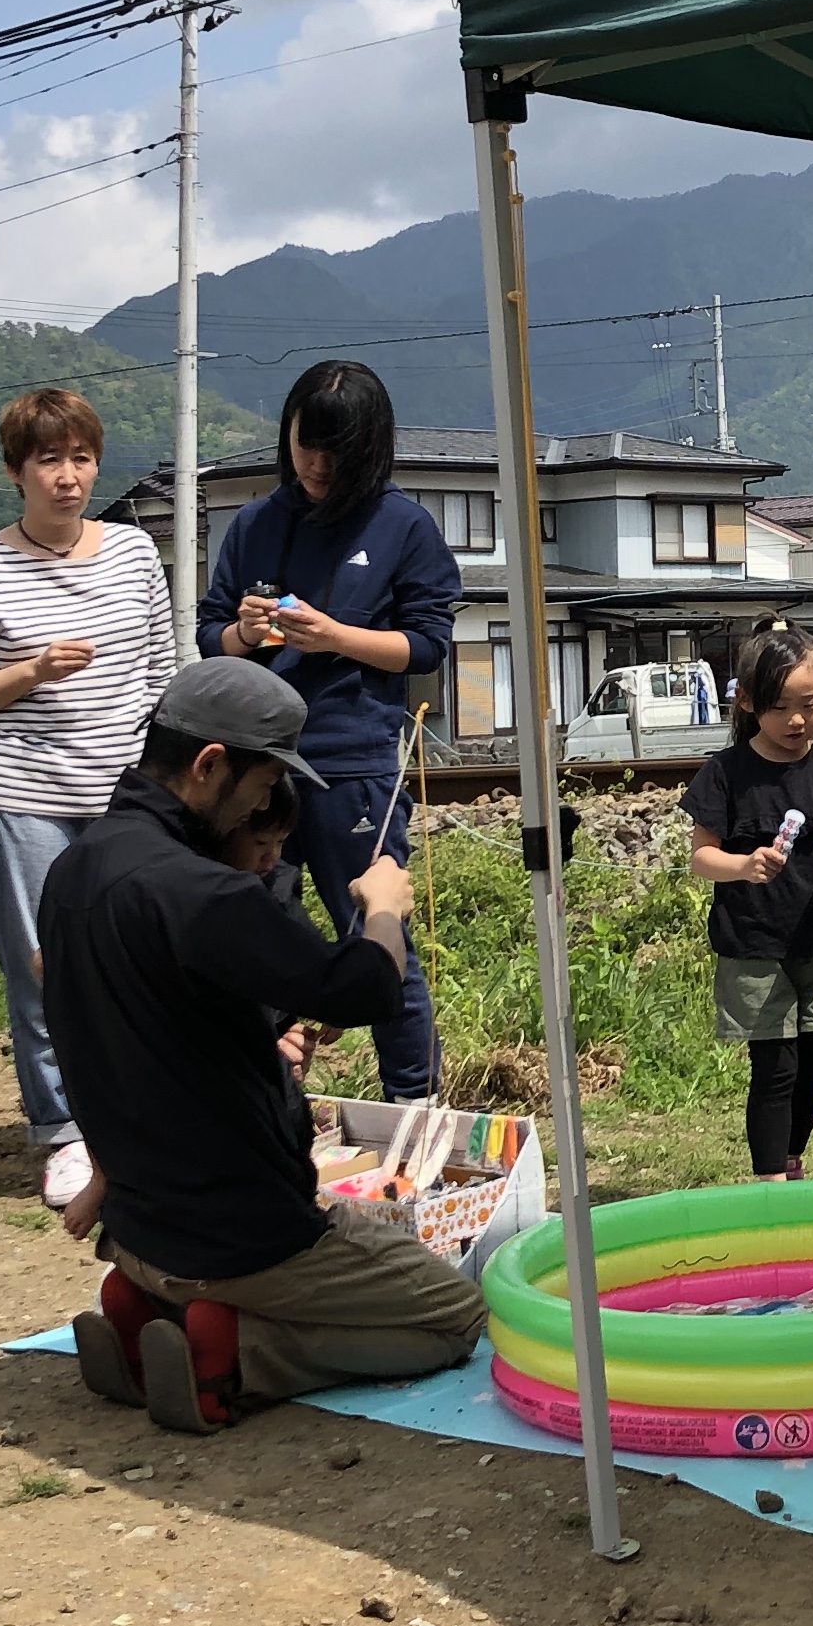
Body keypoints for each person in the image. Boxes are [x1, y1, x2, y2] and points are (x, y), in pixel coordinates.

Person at [46, 658, 482, 1432]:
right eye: (259, 786)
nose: (265, 808)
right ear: (211, 765)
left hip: (143, 1230)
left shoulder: (75, 867)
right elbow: (363, 990)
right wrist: (383, 910)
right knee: (451, 1314)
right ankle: (239, 1352)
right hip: (242, 1238)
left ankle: (151, 1306)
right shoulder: (199, 892)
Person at [0, 385, 181, 1209]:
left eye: (80, 458)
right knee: (44, 968)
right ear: (15, 471)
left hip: (122, 795)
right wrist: (31, 671)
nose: (67, 477)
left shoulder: (134, 553)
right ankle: (63, 1132)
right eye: (48, 460)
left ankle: (142, 1113)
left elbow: (160, 672)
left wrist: (164, 784)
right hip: (18, 798)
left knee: (139, 957)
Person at [206, 359, 458, 1100]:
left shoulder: (403, 525)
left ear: (370, 448)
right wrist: (244, 633)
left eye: (334, 449)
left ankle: (413, 1102)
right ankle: (264, 1097)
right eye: (303, 443)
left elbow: (427, 646)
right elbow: (207, 635)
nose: (315, 463)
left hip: (352, 757)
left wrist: (337, 637)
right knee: (247, 936)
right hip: (253, 763)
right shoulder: (254, 522)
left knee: (378, 934)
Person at [684, 623, 813, 1179]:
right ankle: (770, 1176)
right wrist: (743, 866)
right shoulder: (725, 772)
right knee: (774, 1064)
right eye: (780, 708)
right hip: (755, 942)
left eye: (810, 704)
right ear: (747, 702)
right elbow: (702, 857)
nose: (797, 720)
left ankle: (792, 1161)